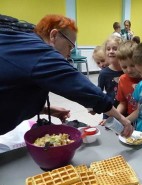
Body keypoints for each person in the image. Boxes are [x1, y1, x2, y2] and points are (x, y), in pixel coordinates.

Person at [0, 14, 133, 137]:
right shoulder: (38, 51)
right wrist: (122, 120)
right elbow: (82, 88)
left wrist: (45, 110)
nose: (69, 53)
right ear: (54, 35)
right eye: (70, 46)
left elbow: (13, 91)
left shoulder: (15, 39)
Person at [98, 35, 124, 124]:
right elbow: (99, 93)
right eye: (108, 49)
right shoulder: (103, 73)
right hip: (109, 111)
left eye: (115, 49)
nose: (111, 51)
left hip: (125, 111)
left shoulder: (127, 71)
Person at [116, 40, 142, 116]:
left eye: (133, 65)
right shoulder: (122, 80)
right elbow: (123, 103)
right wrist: (115, 116)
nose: (129, 70)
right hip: (131, 119)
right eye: (124, 67)